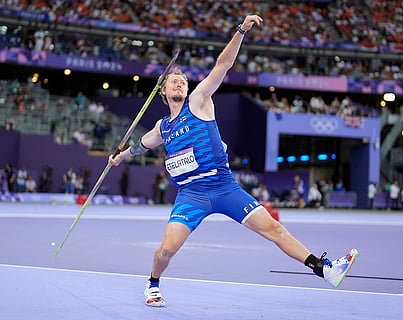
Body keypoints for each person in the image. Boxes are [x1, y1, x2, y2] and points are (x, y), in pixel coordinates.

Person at [109, 15, 357, 308]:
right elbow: (140, 146)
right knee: (167, 250)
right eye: (173, 81)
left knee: (274, 229)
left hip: (225, 188)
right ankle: (153, 283)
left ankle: (323, 268)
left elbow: (222, 66)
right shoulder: (162, 128)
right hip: (191, 196)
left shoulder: (198, 101)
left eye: (182, 80)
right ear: (162, 92)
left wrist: (241, 31)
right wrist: (119, 157)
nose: (179, 82)